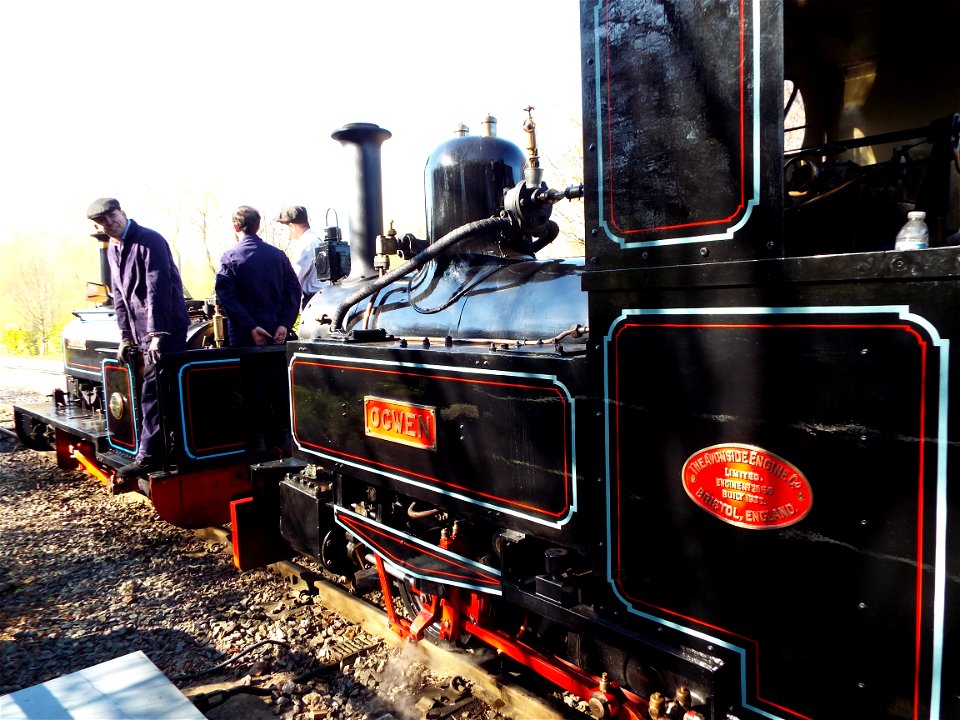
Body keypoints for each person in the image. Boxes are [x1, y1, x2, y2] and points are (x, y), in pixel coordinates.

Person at [86, 197, 190, 478]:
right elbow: (120, 296)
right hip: (140, 330)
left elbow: (157, 288)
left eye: (112, 217)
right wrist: (125, 337)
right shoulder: (114, 250)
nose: (109, 224)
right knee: (149, 390)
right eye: (103, 222)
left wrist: (156, 334)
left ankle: (148, 457)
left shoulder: (149, 240)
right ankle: (159, 447)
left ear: (123, 213)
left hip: (165, 328)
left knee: (152, 394)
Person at [215, 205, 301, 347]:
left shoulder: (229, 258)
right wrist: (285, 324)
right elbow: (294, 290)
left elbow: (227, 298)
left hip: (244, 337)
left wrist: (251, 327)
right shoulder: (279, 256)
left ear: (236, 227)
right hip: (276, 333)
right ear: (258, 226)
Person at [276, 205, 322, 309]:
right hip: (321, 297)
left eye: (283, 228)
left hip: (313, 301)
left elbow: (293, 278)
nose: (282, 232)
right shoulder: (317, 239)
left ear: (291, 226)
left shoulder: (306, 244)